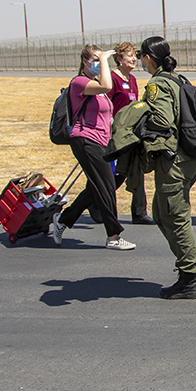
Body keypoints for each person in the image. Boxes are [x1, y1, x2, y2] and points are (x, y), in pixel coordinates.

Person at [137, 37, 196, 299]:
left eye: (141, 55)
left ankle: (188, 278)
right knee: (160, 213)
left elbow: (161, 120)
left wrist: (136, 115)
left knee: (175, 216)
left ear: (148, 57)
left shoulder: (157, 83)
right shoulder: (179, 79)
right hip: (191, 158)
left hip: (174, 161)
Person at [51, 45, 136, 251]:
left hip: (102, 141)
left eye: (101, 60)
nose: (99, 64)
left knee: (99, 186)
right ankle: (113, 236)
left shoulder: (96, 84)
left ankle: (63, 220)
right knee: (106, 185)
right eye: (96, 60)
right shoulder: (80, 82)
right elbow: (107, 86)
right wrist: (106, 60)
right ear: (85, 62)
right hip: (86, 140)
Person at [109, 41, 153, 225]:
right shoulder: (112, 79)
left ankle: (139, 212)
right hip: (116, 132)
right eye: (129, 56)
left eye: (135, 55)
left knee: (138, 168)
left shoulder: (132, 79)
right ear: (119, 59)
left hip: (132, 132)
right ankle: (96, 203)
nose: (134, 59)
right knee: (117, 173)